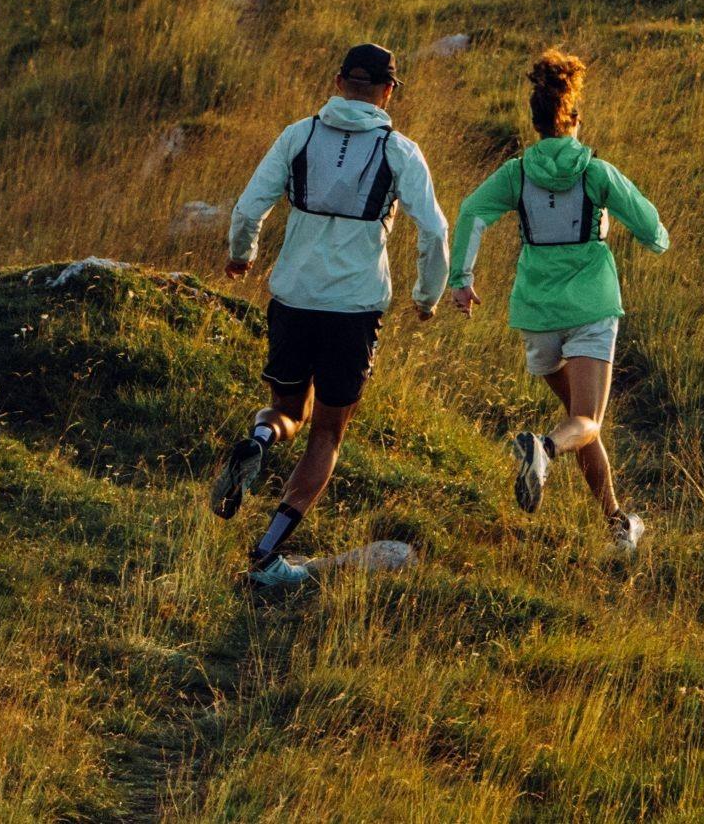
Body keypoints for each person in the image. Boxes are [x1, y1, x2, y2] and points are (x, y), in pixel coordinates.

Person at [211, 39, 449, 593]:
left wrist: (240, 255)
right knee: (327, 436)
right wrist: (426, 296)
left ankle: (260, 439)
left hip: (292, 299)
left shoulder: (299, 134)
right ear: (388, 93)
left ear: (340, 82)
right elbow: (435, 230)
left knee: (285, 408)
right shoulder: (399, 149)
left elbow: (250, 206)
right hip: (353, 310)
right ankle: (267, 555)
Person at [448, 46, 667, 558]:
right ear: (576, 120)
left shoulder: (516, 173)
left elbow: (471, 214)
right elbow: (647, 220)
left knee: (579, 420)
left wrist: (462, 278)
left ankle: (617, 523)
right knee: (585, 422)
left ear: (535, 122)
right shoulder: (595, 172)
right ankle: (542, 450)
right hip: (591, 306)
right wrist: (657, 240)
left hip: (536, 314)